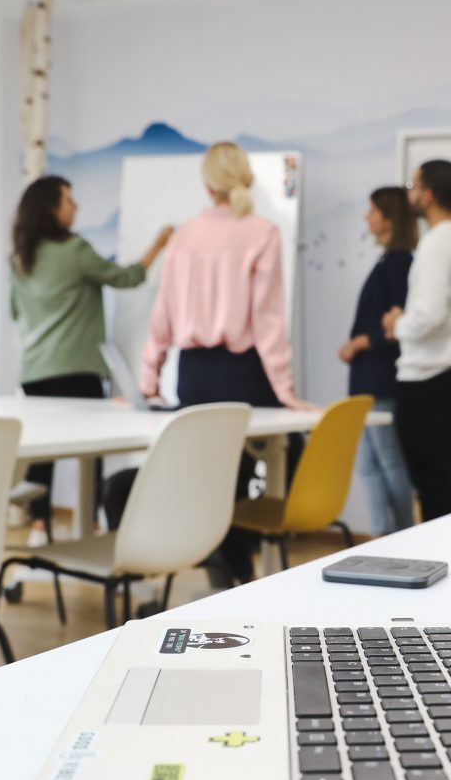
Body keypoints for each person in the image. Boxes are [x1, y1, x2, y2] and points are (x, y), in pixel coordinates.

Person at [110, 141, 310, 584]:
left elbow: (162, 319)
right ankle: (237, 576)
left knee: (206, 473)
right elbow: (268, 323)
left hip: (194, 375)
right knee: (244, 476)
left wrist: (147, 383)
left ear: (207, 184)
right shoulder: (262, 233)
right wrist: (286, 391)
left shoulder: (184, 237)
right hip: (245, 374)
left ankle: (224, 572)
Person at [10, 174, 172, 547]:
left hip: (34, 371)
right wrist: (159, 243)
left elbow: (15, 312)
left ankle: (39, 527)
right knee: (90, 450)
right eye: (69, 199)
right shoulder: (74, 251)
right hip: (76, 369)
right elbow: (127, 277)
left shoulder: (19, 259)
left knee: (43, 453)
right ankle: (93, 525)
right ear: (51, 208)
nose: (76, 206)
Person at [382, 160, 451, 522]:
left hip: (427, 377)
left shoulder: (436, 243)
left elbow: (429, 315)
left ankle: (443, 549)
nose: (409, 193)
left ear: (427, 196)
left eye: (412, 186)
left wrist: (397, 324)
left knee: (431, 481)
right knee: (443, 474)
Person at [338, 187, 416, 536]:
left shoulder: (399, 263)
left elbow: (398, 324)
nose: (366, 217)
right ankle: (382, 535)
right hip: (367, 377)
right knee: (368, 462)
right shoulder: (388, 261)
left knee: (386, 457)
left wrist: (360, 342)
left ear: (389, 218)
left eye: (372, 211)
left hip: (379, 377)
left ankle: (405, 533)